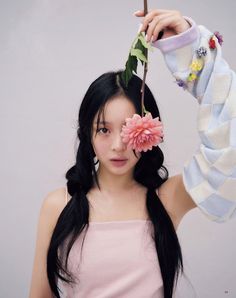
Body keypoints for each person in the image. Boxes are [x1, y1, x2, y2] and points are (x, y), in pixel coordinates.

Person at [29, 8, 236, 298]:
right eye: (104, 130)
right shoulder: (59, 204)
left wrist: (187, 45)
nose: (118, 145)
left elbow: (231, 149)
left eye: (129, 128)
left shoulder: (168, 198)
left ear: (149, 128)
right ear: (87, 133)